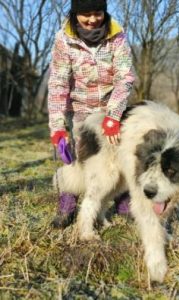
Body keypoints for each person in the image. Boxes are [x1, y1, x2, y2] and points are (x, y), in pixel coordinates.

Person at [48, 0, 135, 228]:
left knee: (117, 155)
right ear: (75, 13)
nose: (92, 19)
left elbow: (125, 77)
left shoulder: (117, 36)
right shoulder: (64, 40)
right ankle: (68, 201)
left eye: (97, 13)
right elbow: (58, 84)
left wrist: (114, 115)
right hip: (77, 112)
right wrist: (57, 128)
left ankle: (121, 199)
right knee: (75, 158)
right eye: (85, 14)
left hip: (110, 110)